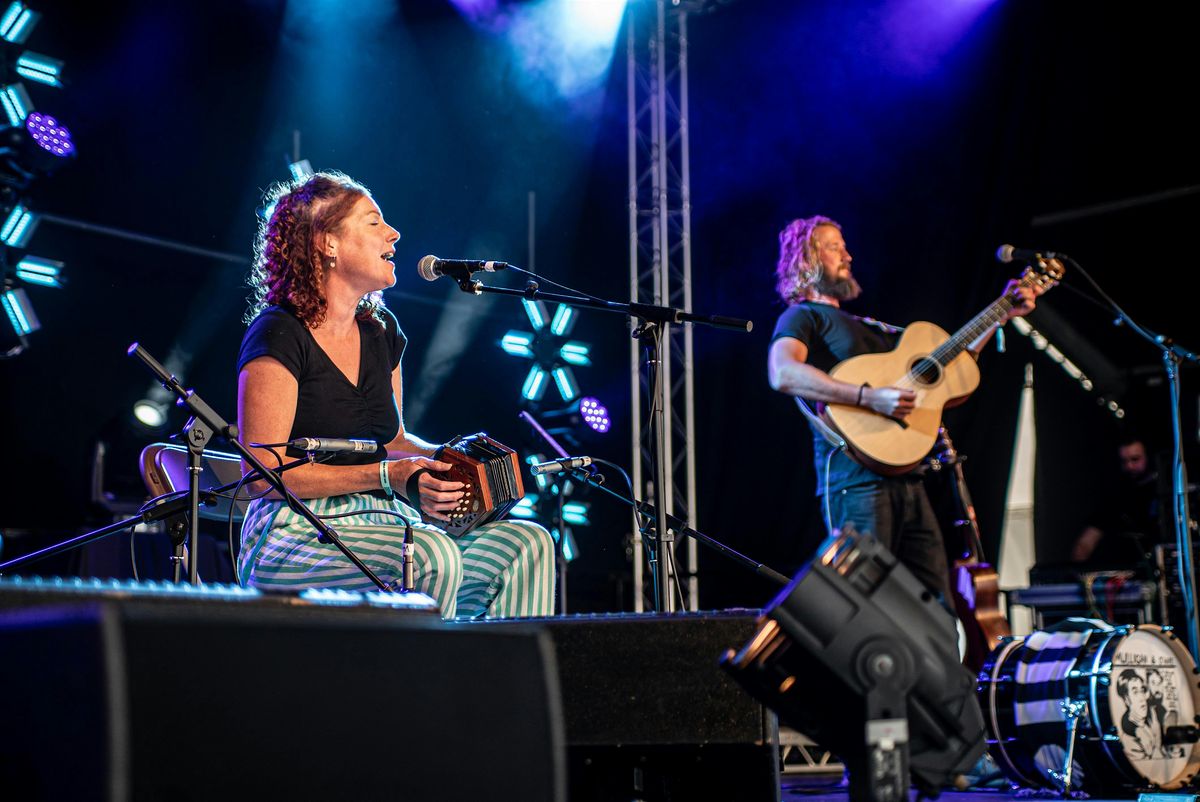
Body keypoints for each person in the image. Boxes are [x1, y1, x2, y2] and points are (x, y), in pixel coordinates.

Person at [235, 170, 555, 618]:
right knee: (429, 554)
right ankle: (425, 666)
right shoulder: (279, 332)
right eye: (373, 222)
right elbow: (260, 473)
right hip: (293, 533)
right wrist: (389, 475)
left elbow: (393, 441)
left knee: (527, 544)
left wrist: (451, 462)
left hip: (384, 523)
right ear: (328, 243)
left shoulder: (381, 330)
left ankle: (497, 667)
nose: (394, 233)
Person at [766, 215, 1037, 605]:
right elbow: (782, 372)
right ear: (805, 259)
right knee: (860, 600)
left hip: (909, 477)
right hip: (855, 479)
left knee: (936, 606)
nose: (847, 256)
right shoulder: (802, 316)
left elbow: (956, 368)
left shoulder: (872, 327)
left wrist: (1002, 312)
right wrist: (868, 397)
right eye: (834, 247)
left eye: (845, 247)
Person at [1071, 436, 1160, 567]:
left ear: (1149, 457)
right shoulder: (1116, 495)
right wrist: (1075, 571)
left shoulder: (1164, 489)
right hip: (1130, 567)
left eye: (1135, 459)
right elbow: (1087, 541)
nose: (1129, 466)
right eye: (1124, 461)